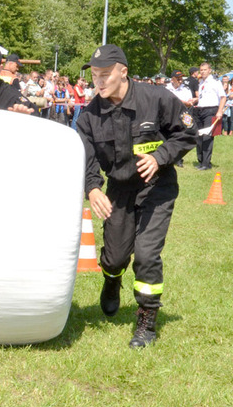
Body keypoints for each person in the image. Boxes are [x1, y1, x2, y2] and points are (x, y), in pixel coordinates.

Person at [76, 44, 196, 348]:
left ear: (123, 72)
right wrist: (92, 188)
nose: (99, 82)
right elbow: (86, 157)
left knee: (146, 254)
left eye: (105, 75)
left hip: (157, 186)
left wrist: (160, 156)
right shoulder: (89, 116)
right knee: (115, 258)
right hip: (119, 189)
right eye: (95, 76)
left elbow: (188, 132)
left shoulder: (155, 98)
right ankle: (112, 280)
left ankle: (146, 320)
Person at [194, 62, 226, 170]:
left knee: (207, 137)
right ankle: (201, 160)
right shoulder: (201, 82)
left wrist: (220, 111)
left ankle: (206, 164)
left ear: (209, 70)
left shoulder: (215, 82)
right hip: (199, 110)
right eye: (201, 70)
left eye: (204, 69)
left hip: (211, 110)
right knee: (198, 136)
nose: (202, 72)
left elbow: (223, 97)